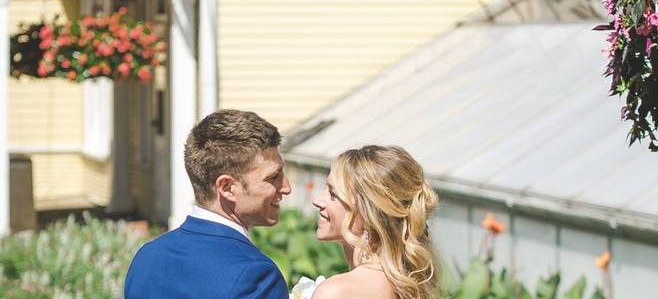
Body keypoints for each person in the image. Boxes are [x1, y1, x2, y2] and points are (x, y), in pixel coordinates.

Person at [124, 109, 292, 299]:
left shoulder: (147, 257)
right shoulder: (255, 276)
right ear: (226, 187)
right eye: (273, 177)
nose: (286, 187)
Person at [306, 145, 439, 299]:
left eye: (333, 194)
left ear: (367, 213)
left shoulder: (337, 292)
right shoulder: (411, 285)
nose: (317, 201)